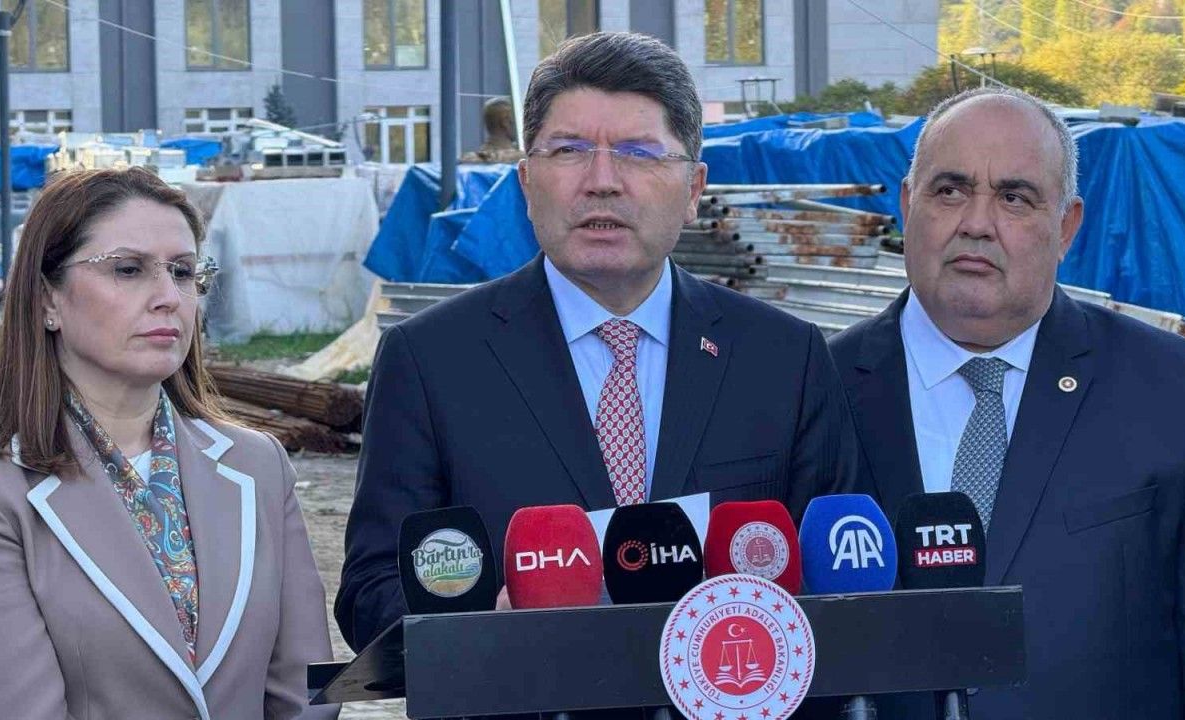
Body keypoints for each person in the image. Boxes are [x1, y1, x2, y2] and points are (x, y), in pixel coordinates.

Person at [336, 31, 858, 657]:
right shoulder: (430, 362)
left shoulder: (784, 358)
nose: (602, 181)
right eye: (570, 150)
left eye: (638, 153)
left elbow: (845, 584)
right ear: (527, 183)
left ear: (694, 190)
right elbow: (370, 594)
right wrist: (477, 624)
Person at [829, 87, 1185, 718]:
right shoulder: (816, 391)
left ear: (1066, 228)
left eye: (1014, 197)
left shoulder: (1182, 393)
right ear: (906, 204)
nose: (976, 223)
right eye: (949, 190)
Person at [0, 167, 339, 720]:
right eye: (128, 269)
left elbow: (306, 695)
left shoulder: (259, 466)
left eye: (183, 271)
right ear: (47, 299)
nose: (168, 297)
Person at [459, 96, 526, 164]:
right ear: (505, 122)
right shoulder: (524, 160)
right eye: (518, 120)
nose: (524, 125)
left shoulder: (468, 160)